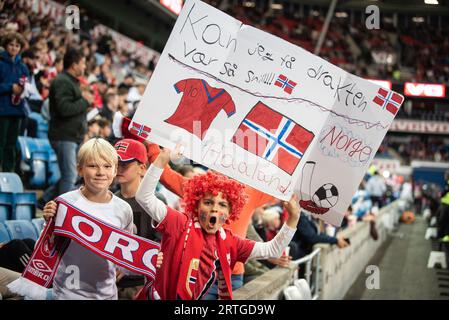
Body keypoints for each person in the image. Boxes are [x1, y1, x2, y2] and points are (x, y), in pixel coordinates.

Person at [135, 146, 300, 300]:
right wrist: (161, 156)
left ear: (230, 212)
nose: (215, 209)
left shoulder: (232, 240)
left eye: (222, 205)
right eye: (208, 203)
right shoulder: (179, 222)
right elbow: (145, 197)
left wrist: (293, 219)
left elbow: (273, 249)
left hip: (230, 277)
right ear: (196, 204)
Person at [42, 138, 134, 300]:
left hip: (107, 295)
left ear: (115, 171)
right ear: (79, 170)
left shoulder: (124, 209)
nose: (100, 172)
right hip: (66, 295)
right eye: (92, 166)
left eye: (107, 166)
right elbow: (44, 249)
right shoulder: (64, 203)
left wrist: (138, 264)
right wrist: (48, 222)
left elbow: (126, 255)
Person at [39, 48, 93, 208]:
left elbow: (71, 107)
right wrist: (84, 101)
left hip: (72, 136)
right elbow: (64, 109)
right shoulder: (62, 81)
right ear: (74, 64)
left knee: (70, 175)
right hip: (63, 136)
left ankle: (43, 201)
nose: (84, 67)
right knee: (70, 175)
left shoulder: (71, 81)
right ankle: (64, 210)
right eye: (82, 63)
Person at [0, 32, 29, 172]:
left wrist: (25, 90)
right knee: (1, 143)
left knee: (11, 144)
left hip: (17, 111)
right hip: (2, 109)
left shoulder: (23, 67)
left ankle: (8, 173)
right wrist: (10, 88)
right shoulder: (0, 64)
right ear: (5, 46)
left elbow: (28, 87)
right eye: (11, 44)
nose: (14, 48)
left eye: (17, 45)